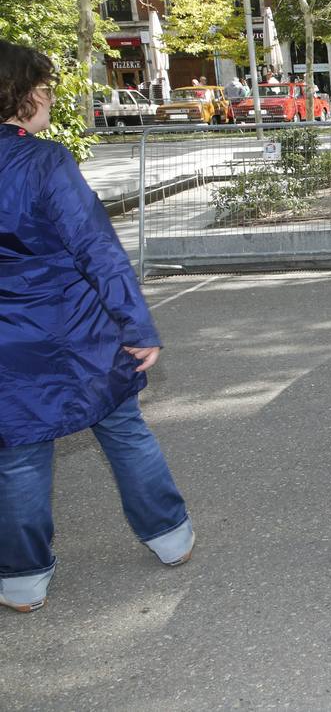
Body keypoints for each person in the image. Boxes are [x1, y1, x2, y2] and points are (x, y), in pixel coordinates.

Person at [1, 41, 193, 614]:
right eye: (47, 87)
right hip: (76, 331)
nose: (51, 97)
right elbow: (96, 251)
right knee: (123, 430)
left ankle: (22, 580)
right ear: (27, 94)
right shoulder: (44, 161)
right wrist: (137, 325)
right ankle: (169, 538)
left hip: (8, 343)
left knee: (19, 454)